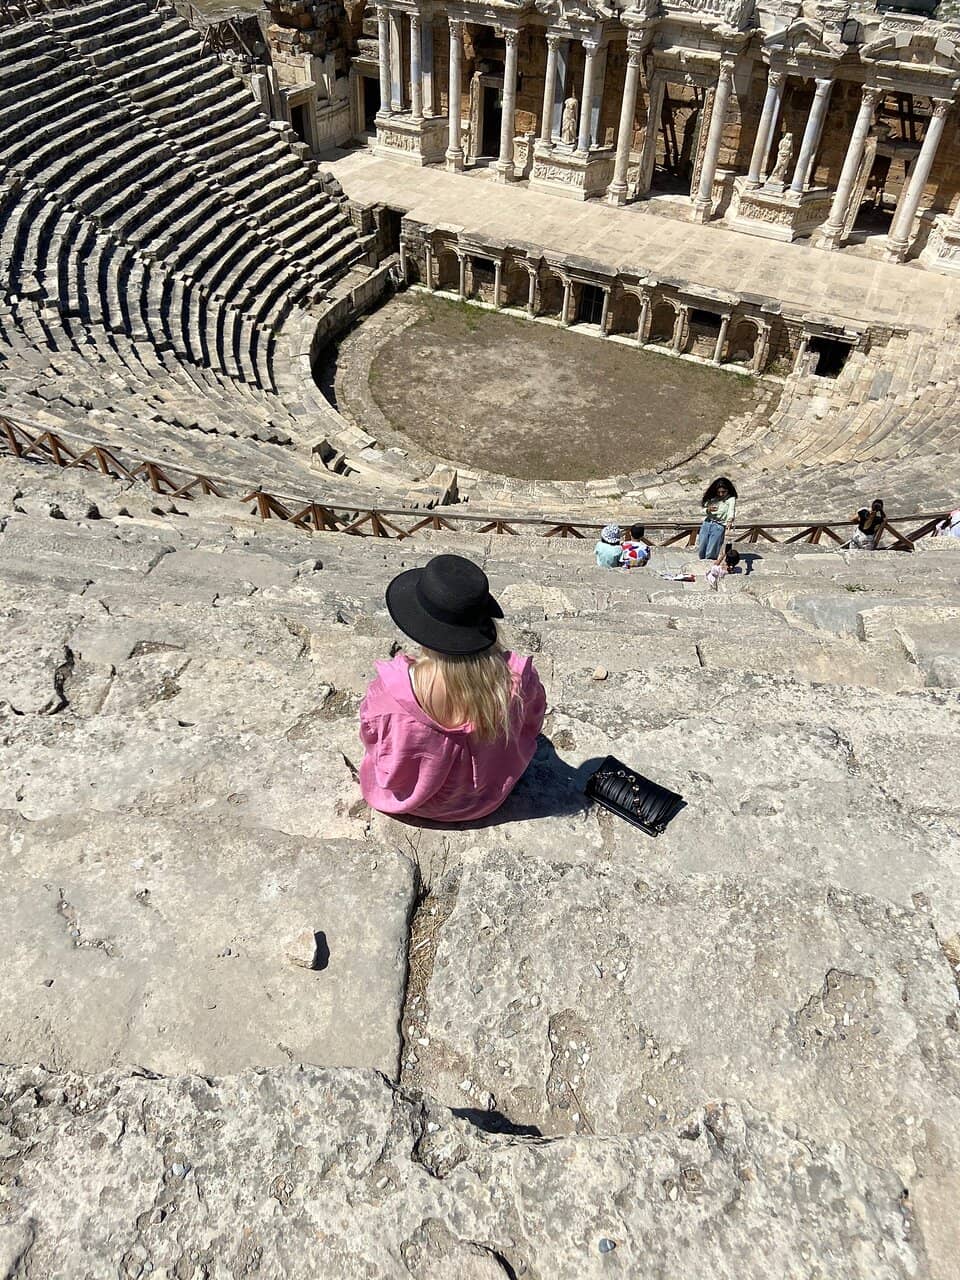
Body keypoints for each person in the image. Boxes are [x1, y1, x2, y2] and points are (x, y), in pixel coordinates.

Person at [358, 554, 546, 823]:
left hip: (409, 801)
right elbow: (531, 725)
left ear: (419, 622)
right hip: (485, 800)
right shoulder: (520, 681)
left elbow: (373, 741)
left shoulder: (389, 693)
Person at [697, 477, 737, 561]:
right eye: (719, 492)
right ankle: (702, 562)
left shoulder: (731, 499)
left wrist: (730, 520)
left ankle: (710, 564)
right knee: (702, 547)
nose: (721, 494)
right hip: (707, 523)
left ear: (728, 490)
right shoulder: (713, 498)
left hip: (719, 526)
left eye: (723, 492)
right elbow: (703, 509)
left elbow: (731, 510)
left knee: (712, 550)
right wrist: (708, 510)